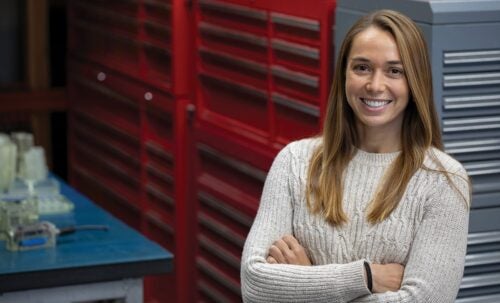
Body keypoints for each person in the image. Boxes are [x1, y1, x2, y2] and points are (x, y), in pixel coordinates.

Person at [240, 9, 470, 303]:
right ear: (344, 74)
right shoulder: (295, 162)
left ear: (415, 82)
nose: (375, 85)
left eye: (394, 71)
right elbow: (255, 285)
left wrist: (306, 281)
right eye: (362, 68)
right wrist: (366, 277)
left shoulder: (443, 181)